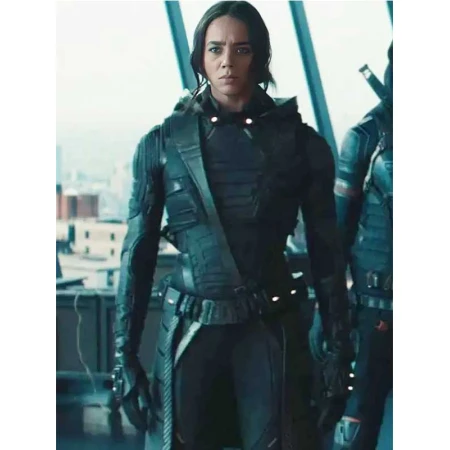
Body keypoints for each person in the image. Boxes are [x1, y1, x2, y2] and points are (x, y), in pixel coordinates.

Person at [112, 2, 353, 449]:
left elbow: (328, 256)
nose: (227, 62)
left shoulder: (303, 146)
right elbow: (137, 255)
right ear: (200, 57)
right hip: (189, 333)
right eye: (215, 49)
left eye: (241, 49)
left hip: (269, 331)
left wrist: (339, 355)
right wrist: (123, 358)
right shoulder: (161, 144)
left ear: (259, 57)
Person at [313, 43, 393, 450]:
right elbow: (336, 236)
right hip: (376, 309)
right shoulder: (366, 138)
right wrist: (324, 314)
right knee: (356, 426)